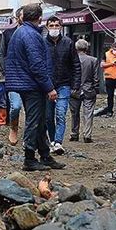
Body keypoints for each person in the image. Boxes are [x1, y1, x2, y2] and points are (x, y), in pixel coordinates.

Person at [5, 3, 64, 171]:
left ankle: (45, 155)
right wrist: (49, 87)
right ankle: (29, 158)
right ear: (40, 18)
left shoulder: (20, 32)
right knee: (34, 121)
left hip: (25, 83)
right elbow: (37, 64)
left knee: (38, 121)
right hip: (32, 85)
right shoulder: (31, 35)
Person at [44, 17, 81, 155]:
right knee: (48, 116)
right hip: (47, 85)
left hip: (64, 84)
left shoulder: (68, 42)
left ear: (61, 27)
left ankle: (58, 142)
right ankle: (53, 140)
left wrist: (76, 83)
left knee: (60, 114)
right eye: (51, 25)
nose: (54, 28)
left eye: (57, 25)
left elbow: (75, 64)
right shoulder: (42, 43)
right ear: (47, 27)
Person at [1, 7, 25, 145]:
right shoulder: (8, 33)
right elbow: (2, 53)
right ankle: (14, 127)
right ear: (17, 18)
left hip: (31, 77)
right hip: (14, 77)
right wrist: (7, 70)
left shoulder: (37, 33)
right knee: (15, 106)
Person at [69, 39, 99, 143]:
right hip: (89, 89)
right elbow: (96, 77)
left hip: (74, 90)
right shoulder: (93, 60)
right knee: (88, 114)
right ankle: (87, 135)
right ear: (86, 48)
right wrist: (96, 88)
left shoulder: (71, 60)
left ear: (76, 48)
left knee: (74, 113)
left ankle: (74, 134)